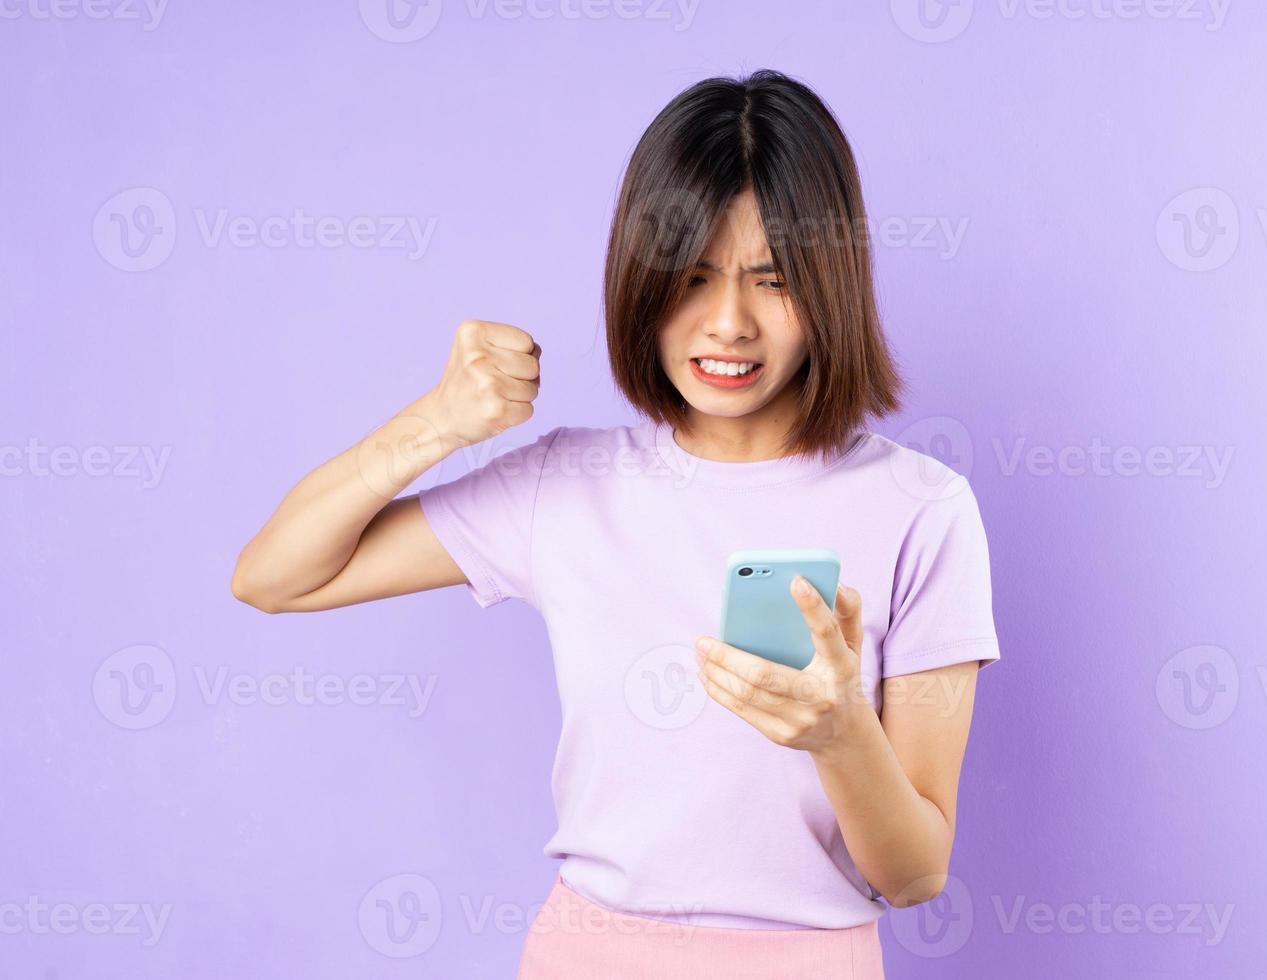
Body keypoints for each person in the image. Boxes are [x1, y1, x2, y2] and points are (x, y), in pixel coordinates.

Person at [232, 68, 1000, 979]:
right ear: (641, 277)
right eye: (692, 276)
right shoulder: (567, 484)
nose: (728, 324)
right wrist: (437, 422)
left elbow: (915, 874)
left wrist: (839, 733)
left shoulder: (923, 511)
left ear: (831, 284)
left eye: (774, 280)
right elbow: (274, 577)